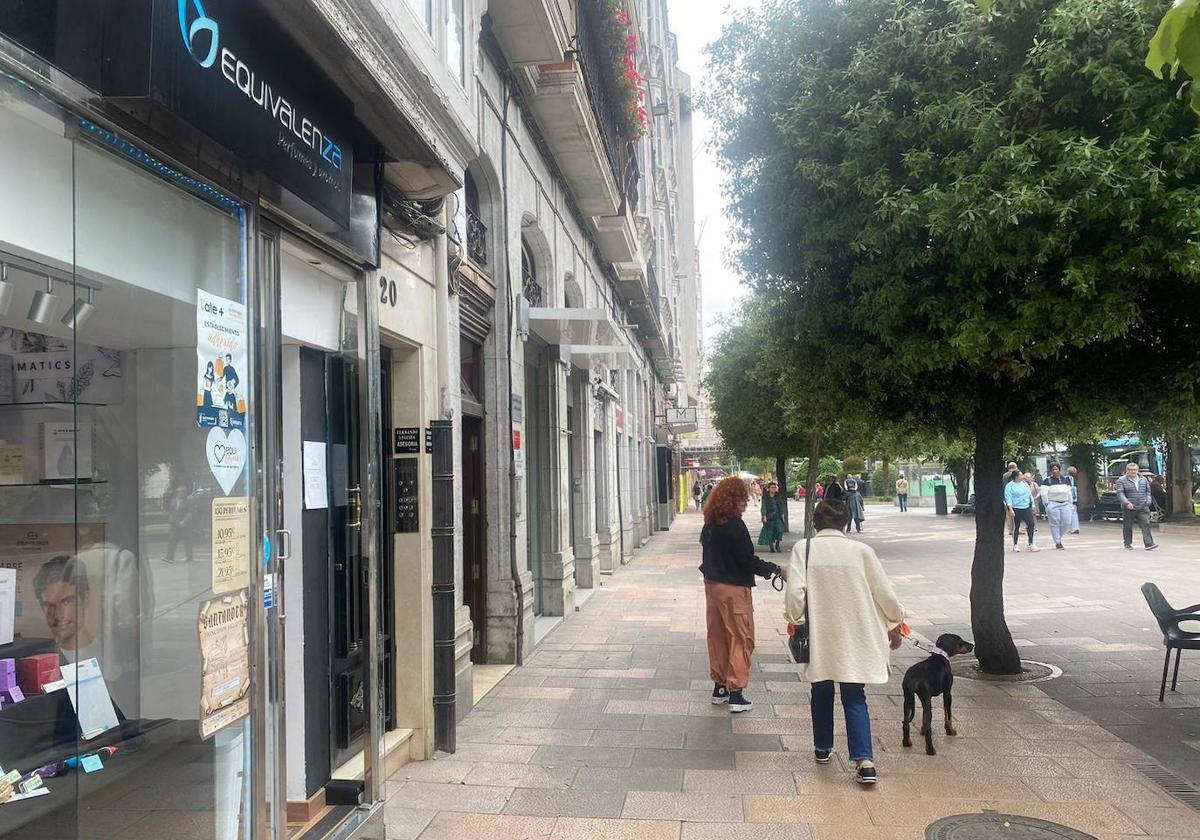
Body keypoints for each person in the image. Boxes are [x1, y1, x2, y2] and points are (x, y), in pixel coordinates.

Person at [784, 500, 905, 785]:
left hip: (821, 635)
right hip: (857, 634)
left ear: (815, 523)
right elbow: (885, 594)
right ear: (846, 523)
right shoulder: (862, 551)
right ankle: (864, 761)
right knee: (854, 695)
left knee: (821, 690)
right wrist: (895, 621)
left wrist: (795, 619)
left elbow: (795, 596)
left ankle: (823, 747)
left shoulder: (805, 549)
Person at [700, 477, 785, 713]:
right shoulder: (736, 526)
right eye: (744, 498)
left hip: (712, 586)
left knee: (717, 635)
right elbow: (748, 560)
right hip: (734, 588)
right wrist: (776, 569)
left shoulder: (710, 524)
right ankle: (736, 693)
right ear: (735, 499)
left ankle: (720, 687)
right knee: (740, 637)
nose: (746, 502)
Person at [33, 555, 99, 662]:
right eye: (49, 605)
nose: (58, 615)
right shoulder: (39, 657)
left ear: (85, 599)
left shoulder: (108, 655)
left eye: (67, 602)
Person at [1116, 462, 1159, 550]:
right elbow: (1120, 493)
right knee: (1128, 526)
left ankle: (1149, 544)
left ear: (1137, 470)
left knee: (1145, 524)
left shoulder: (1143, 479)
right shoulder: (1121, 480)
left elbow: (1148, 492)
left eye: (1135, 470)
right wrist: (1126, 503)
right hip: (1129, 507)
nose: (1133, 472)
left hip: (1142, 506)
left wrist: (1148, 500)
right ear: (1127, 471)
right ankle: (1127, 543)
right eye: (1131, 470)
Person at [1040, 464, 1074, 550]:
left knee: (1067, 522)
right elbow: (1044, 493)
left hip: (1065, 503)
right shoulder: (1047, 481)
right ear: (1050, 471)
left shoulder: (1065, 480)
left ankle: (1058, 537)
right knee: (1055, 523)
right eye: (1053, 469)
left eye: (1056, 469)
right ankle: (1058, 542)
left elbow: (1069, 492)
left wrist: (1071, 503)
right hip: (1053, 503)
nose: (1055, 471)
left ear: (1059, 470)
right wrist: (1047, 504)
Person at [1004, 472, 1039, 552]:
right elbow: (1008, 497)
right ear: (1016, 477)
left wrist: (1032, 505)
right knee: (1016, 526)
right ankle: (1015, 544)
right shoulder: (1009, 486)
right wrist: (1010, 509)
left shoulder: (1024, 484)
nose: (1022, 476)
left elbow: (1029, 495)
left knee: (1031, 524)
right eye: (1021, 475)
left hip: (1026, 507)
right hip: (1016, 507)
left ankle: (1031, 543)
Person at [164, 483, 195, 563]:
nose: (180, 493)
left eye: (182, 492)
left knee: (187, 541)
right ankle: (169, 557)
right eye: (179, 492)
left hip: (185, 525)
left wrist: (184, 521)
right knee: (172, 540)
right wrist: (171, 520)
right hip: (175, 524)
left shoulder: (188, 500)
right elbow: (172, 511)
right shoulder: (174, 500)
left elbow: (190, 512)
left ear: (185, 492)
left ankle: (189, 557)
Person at [757, 481, 785, 552]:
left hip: (777, 516)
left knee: (779, 530)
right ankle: (771, 547)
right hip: (769, 516)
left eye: (774, 487)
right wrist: (764, 515)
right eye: (772, 488)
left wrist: (782, 514)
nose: (773, 489)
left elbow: (781, 505)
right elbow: (763, 507)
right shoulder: (765, 497)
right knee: (769, 531)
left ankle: (777, 544)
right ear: (768, 489)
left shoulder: (778, 496)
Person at [1067, 465, 1081, 534]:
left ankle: (1074, 528)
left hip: (1069, 499)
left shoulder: (1066, 479)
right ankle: (1075, 527)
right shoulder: (1076, 480)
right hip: (1075, 498)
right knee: (1074, 513)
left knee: (1072, 513)